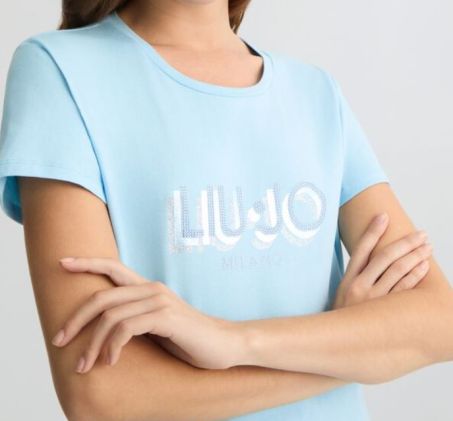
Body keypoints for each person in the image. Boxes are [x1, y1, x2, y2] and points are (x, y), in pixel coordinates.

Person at [0, 1, 452, 420]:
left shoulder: (315, 92)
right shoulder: (59, 70)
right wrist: (349, 348)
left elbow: (438, 322)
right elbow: (102, 394)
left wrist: (231, 341)